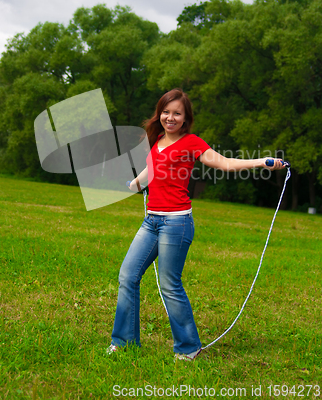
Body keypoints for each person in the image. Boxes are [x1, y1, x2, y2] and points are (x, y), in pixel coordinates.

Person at [107, 88, 285, 361]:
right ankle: (124, 343)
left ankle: (188, 349)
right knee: (127, 277)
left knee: (169, 285)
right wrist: (133, 184)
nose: (170, 117)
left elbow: (224, 163)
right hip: (151, 221)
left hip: (176, 224)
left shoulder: (191, 143)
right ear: (160, 113)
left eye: (177, 113)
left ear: (185, 117)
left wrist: (263, 161)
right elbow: (152, 169)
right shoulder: (157, 142)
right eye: (166, 112)